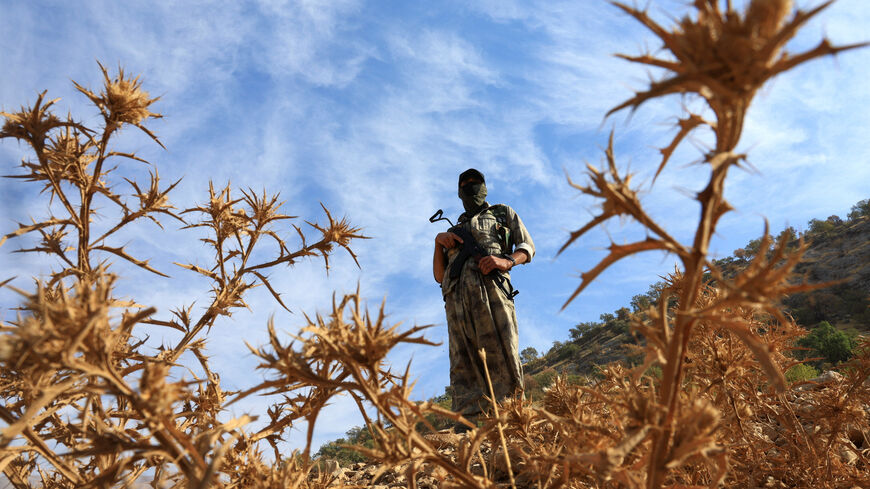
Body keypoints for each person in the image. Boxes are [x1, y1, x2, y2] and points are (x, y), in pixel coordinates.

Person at [433, 168, 535, 428]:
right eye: (465, 183)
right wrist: (438, 242)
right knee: (462, 357)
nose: (470, 187)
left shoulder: (502, 213)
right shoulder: (453, 229)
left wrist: (505, 261)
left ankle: (511, 413)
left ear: (485, 187)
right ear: (458, 192)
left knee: (502, 349)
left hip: (492, 289)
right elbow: (438, 276)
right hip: (457, 299)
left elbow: (527, 247)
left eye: (475, 182)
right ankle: (467, 420)